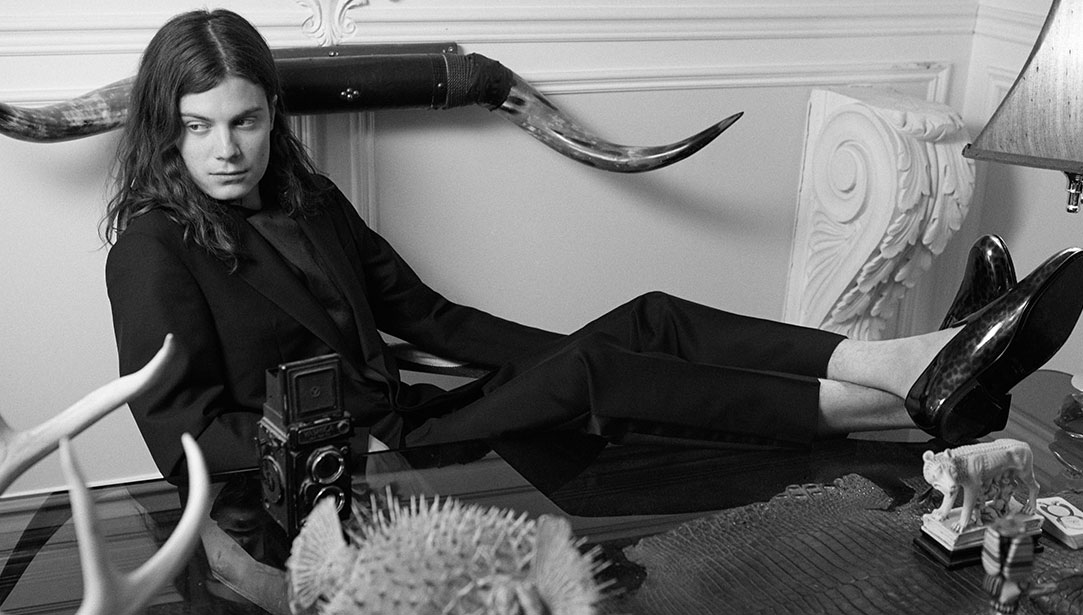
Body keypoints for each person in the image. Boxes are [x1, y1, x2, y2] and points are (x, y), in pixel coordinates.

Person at [104, 8, 1083, 484]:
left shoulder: (306, 198)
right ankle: (920, 389)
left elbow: (427, 316)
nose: (226, 149)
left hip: (421, 406)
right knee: (596, 371)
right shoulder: (152, 251)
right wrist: (314, 444)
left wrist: (571, 350)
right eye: (200, 126)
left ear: (271, 116)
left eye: (245, 121)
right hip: (368, 456)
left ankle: (911, 363)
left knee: (647, 320)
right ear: (166, 127)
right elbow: (177, 438)